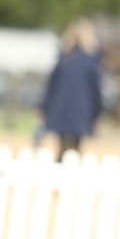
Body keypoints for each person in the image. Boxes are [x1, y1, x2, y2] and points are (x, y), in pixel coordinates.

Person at [40, 20, 104, 162]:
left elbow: (51, 87)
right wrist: (96, 112)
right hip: (81, 110)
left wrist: (44, 108)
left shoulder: (64, 60)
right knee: (75, 145)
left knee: (62, 146)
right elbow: (95, 92)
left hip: (61, 108)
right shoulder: (90, 63)